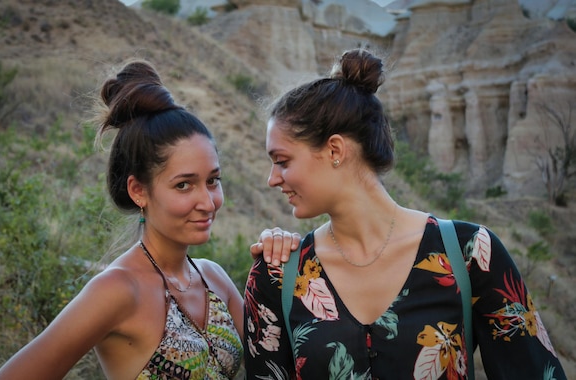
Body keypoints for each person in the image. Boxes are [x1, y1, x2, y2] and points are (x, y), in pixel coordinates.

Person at [243, 48, 567, 379]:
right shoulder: (276, 277)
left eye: (282, 161)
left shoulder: (470, 252)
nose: (272, 179)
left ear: (335, 150)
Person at [0, 59, 298, 380]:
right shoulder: (117, 290)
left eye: (212, 180)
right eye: (184, 185)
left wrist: (278, 269)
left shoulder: (214, 279)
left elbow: (277, 368)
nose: (207, 202)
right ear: (139, 190)